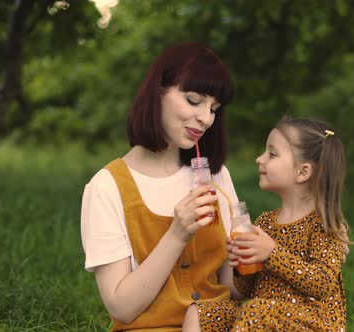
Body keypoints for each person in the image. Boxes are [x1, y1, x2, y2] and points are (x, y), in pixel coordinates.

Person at [80, 41, 242, 331]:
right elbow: (122, 308)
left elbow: (234, 288)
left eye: (214, 108)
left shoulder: (216, 176)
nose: (205, 119)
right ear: (158, 93)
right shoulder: (107, 187)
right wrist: (177, 235)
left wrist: (263, 257)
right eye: (194, 101)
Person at [183, 118, 350, 331]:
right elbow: (248, 291)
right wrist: (241, 265)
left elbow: (322, 283)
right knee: (200, 312)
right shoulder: (265, 222)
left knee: (255, 311)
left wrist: (272, 254)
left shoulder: (325, 225)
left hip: (313, 324)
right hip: (262, 316)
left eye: (272, 154)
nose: (259, 159)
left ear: (303, 172)